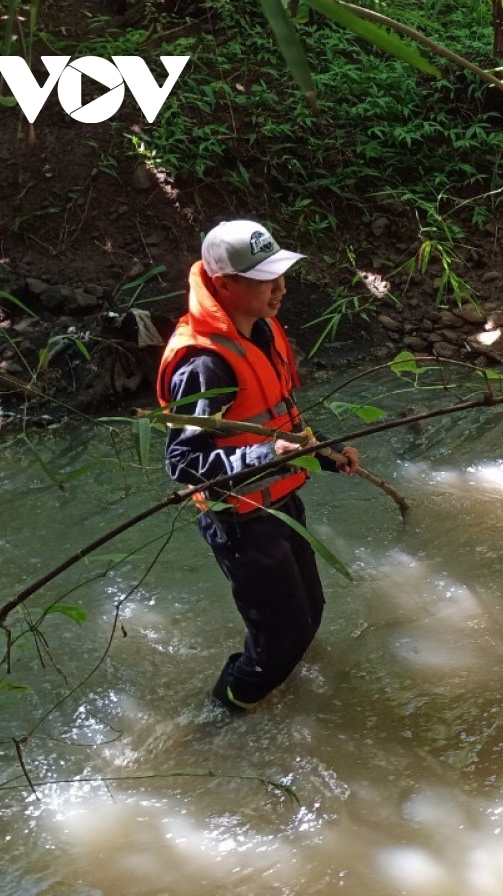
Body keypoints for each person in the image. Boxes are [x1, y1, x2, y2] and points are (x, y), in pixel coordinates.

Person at [156, 219, 359, 713]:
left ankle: (264, 685)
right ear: (225, 284)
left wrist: (325, 452)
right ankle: (223, 712)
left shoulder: (261, 333)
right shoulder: (204, 364)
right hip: (241, 522)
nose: (281, 290)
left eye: (281, 276)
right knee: (280, 639)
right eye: (267, 280)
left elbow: (274, 422)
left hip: (281, 502)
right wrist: (265, 456)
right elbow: (183, 460)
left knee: (309, 615)